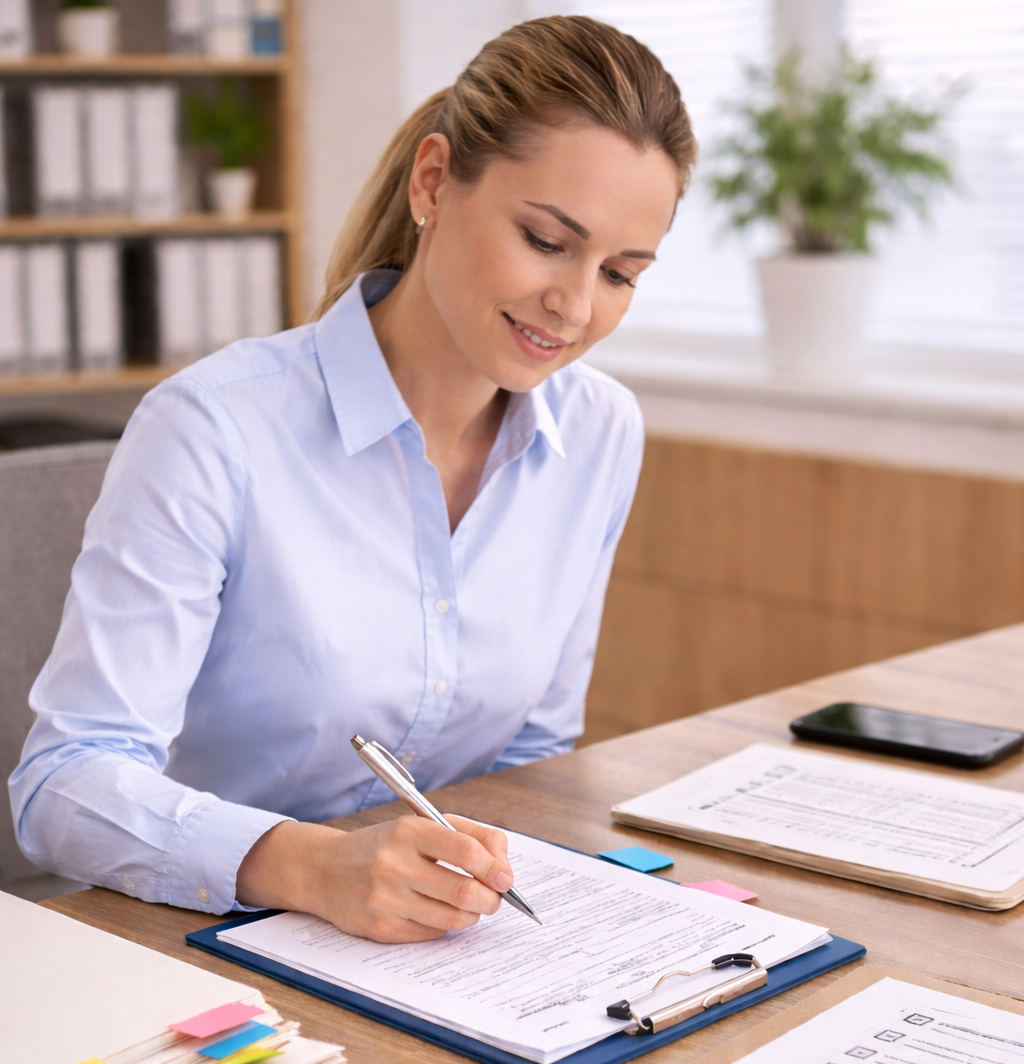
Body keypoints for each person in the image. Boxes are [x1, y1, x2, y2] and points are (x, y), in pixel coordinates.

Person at [10, 16, 695, 943]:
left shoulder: (602, 431)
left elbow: (535, 752)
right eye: (544, 241)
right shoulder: (215, 427)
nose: (574, 307)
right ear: (433, 183)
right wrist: (310, 866)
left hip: (437, 952)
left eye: (620, 273)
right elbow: (62, 785)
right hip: (203, 944)